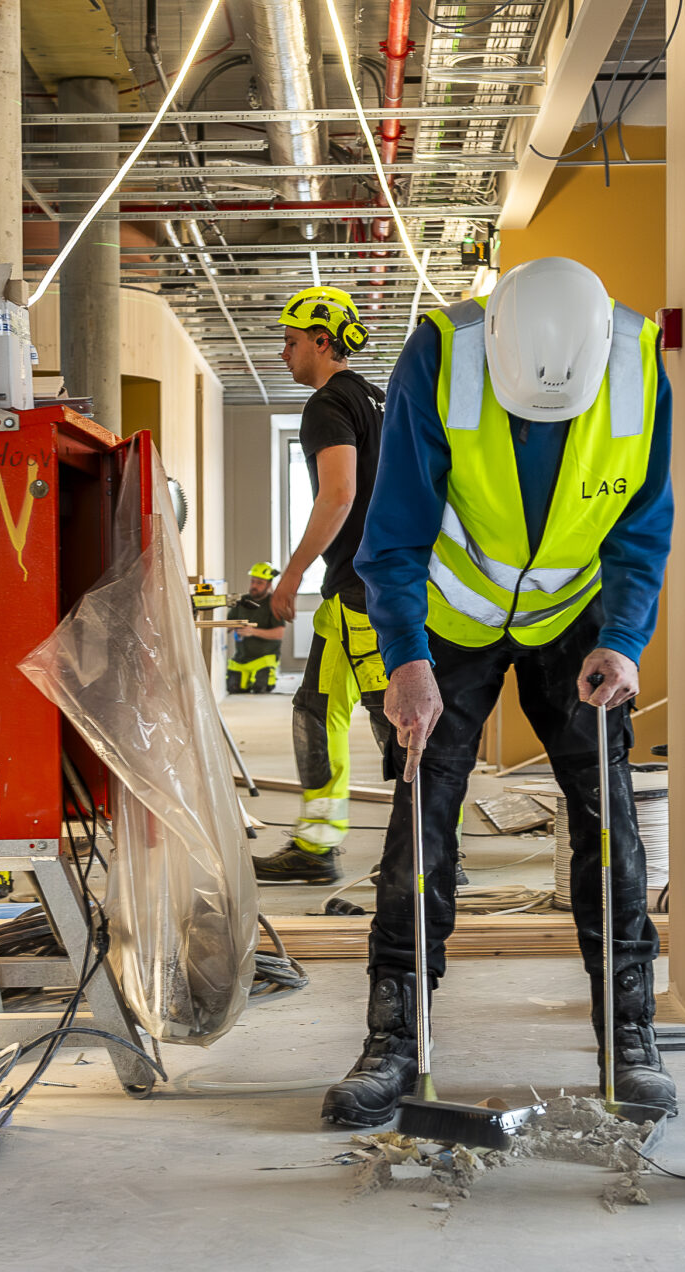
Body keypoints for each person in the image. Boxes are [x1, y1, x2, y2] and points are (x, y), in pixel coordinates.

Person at [321, 257, 679, 1126]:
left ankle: (628, 1036)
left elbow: (642, 526)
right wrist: (406, 657)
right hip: (449, 617)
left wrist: (624, 642)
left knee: (609, 819)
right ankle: (394, 1038)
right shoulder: (442, 354)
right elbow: (395, 528)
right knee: (421, 815)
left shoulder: (635, 360)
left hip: (574, 622)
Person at [250, 287, 395, 885]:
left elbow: (339, 494)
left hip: (361, 588)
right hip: (380, 582)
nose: (283, 355)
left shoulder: (328, 405)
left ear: (322, 341)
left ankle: (430, 848)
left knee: (395, 717)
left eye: (290, 342)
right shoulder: (377, 399)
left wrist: (292, 572)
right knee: (320, 709)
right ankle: (318, 846)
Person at [225, 562, 286, 694]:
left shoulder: (274, 603)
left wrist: (252, 631)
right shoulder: (242, 601)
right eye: (253, 581)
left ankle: (266, 677)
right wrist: (231, 626)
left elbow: (279, 633)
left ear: (269, 585)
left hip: (264, 659)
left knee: (260, 688)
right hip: (241, 659)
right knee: (233, 688)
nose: (254, 586)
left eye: (259, 583)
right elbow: (227, 625)